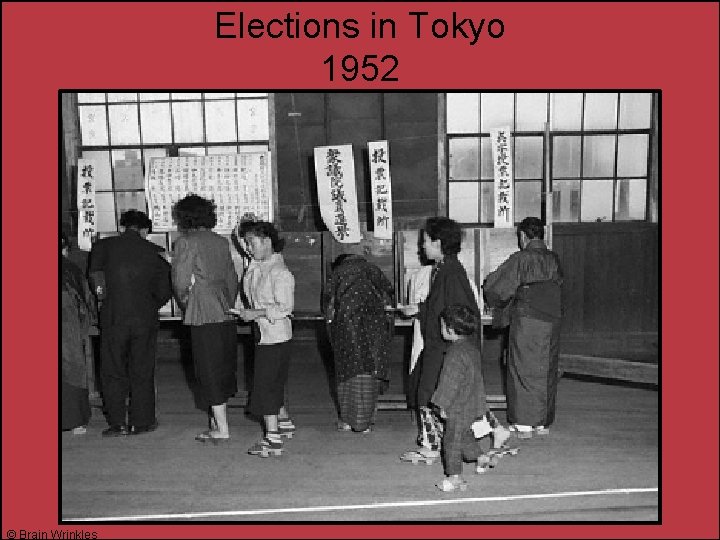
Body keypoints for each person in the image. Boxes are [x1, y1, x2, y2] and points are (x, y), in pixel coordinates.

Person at [399, 217, 481, 464]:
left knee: (431, 394)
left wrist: (423, 313)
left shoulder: (451, 272)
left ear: (438, 242)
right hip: (439, 343)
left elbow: (458, 313)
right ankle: (436, 444)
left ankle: (435, 446)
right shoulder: (445, 269)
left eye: (425, 242)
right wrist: (420, 309)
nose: (422, 247)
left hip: (446, 346)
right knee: (427, 392)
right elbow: (441, 307)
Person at [89, 210, 172, 437]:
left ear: (123, 226)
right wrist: (149, 304)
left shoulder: (103, 248)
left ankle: (117, 423)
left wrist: (105, 301)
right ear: (145, 230)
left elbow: (96, 280)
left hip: (113, 318)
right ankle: (141, 422)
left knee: (112, 370)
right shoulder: (154, 253)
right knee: (142, 369)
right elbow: (165, 289)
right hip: (144, 319)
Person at [482, 217, 563, 438]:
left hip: (528, 319)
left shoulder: (521, 258)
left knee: (523, 367)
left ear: (523, 236)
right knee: (546, 367)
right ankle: (542, 422)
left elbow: (497, 287)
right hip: (552, 319)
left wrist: (490, 293)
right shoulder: (553, 259)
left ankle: (525, 423)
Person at [171, 195, 239, 444]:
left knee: (206, 366)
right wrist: (227, 303)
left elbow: (179, 281)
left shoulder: (185, 242)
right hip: (223, 307)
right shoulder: (221, 242)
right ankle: (215, 420)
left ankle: (221, 428)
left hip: (202, 308)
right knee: (222, 364)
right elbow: (232, 279)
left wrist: (185, 301)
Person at [234, 220, 295, 457]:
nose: (248, 248)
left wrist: (255, 313)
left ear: (267, 241)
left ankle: (272, 439)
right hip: (264, 334)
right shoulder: (259, 265)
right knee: (272, 381)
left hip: (275, 336)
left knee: (266, 385)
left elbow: (285, 307)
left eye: (251, 242)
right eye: (247, 243)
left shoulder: (279, 272)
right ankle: (284, 423)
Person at [325, 252, 394, 433]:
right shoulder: (373, 270)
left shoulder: (337, 273)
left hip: (346, 330)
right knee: (370, 373)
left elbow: (328, 305)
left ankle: (347, 421)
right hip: (375, 330)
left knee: (347, 375)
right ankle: (365, 423)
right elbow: (389, 294)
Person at [430, 305, 487, 491]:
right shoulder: (472, 349)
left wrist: (441, 404)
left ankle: (455, 477)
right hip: (472, 402)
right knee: (464, 434)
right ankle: (481, 457)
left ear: (450, 329)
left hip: (458, 405)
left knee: (451, 441)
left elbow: (450, 382)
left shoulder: (454, 353)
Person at [62, 232, 97, 434]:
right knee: (72, 370)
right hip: (67, 326)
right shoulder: (70, 269)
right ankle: (75, 421)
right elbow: (85, 299)